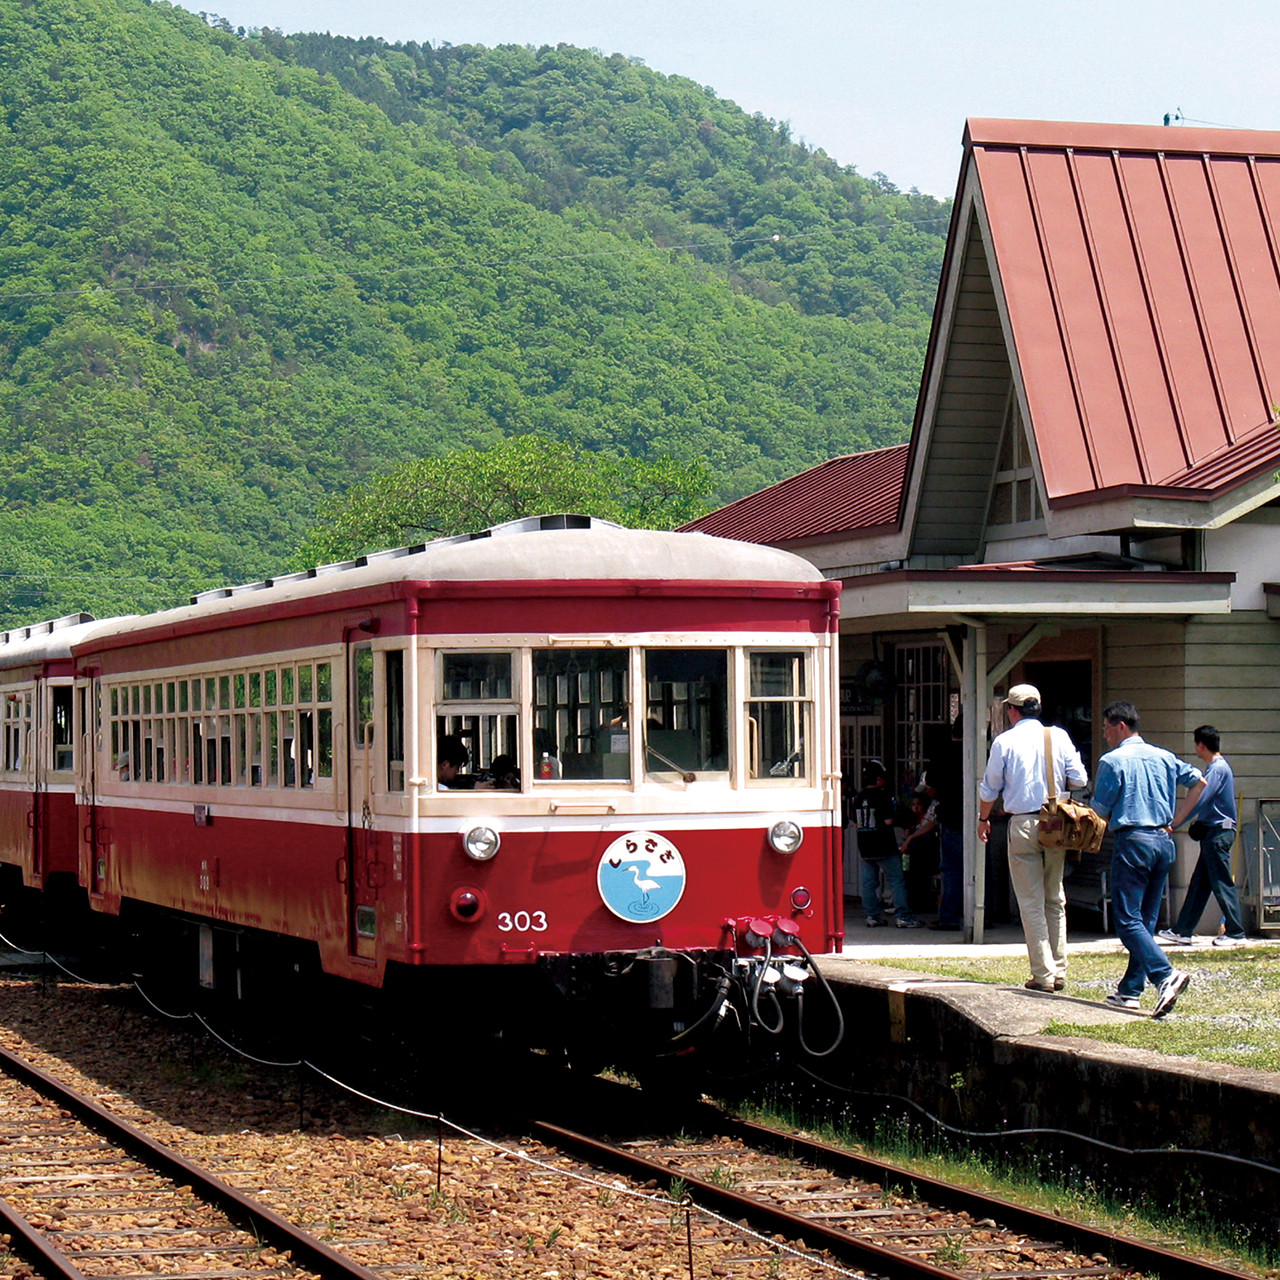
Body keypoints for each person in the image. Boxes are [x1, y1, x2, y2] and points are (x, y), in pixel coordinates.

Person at [1092, 700, 1205, 1017]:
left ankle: (1165, 975)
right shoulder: (1165, 756)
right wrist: (1178, 820)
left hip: (1134, 840)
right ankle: (1130, 990)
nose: (1105, 735)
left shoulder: (1113, 761)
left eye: (1106, 728)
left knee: (1127, 920)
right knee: (1146, 920)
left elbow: (1100, 810)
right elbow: (1199, 782)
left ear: (1120, 726)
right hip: (1164, 840)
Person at [979, 684, 1088, 992]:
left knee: (1031, 901)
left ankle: (1043, 974)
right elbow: (1079, 779)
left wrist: (983, 819)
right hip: (1055, 821)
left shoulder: (1004, 741)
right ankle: (1060, 968)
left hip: (1023, 822)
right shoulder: (1059, 736)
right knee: (1055, 898)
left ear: (1012, 710)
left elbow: (990, 789)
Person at [1158, 725, 1245, 948]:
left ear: (1201, 745)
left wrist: (1175, 822)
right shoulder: (1217, 768)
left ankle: (1235, 932)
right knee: (1199, 885)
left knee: (1221, 883)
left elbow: (1200, 799)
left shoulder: (1217, 769)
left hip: (1218, 833)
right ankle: (1183, 930)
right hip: (1212, 834)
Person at [852, 760, 923, 929]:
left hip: (865, 846)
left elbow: (855, 823)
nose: (885, 779)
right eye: (883, 776)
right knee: (897, 880)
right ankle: (903, 916)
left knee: (868, 883)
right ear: (877, 778)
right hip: (884, 845)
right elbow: (889, 820)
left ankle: (872, 916)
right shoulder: (882, 796)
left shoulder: (858, 797)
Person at [927, 717, 964, 930]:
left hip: (950, 816)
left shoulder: (942, 753)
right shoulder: (982, 753)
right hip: (979, 816)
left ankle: (949, 916)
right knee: (981, 869)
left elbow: (930, 783)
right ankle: (983, 914)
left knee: (951, 870)